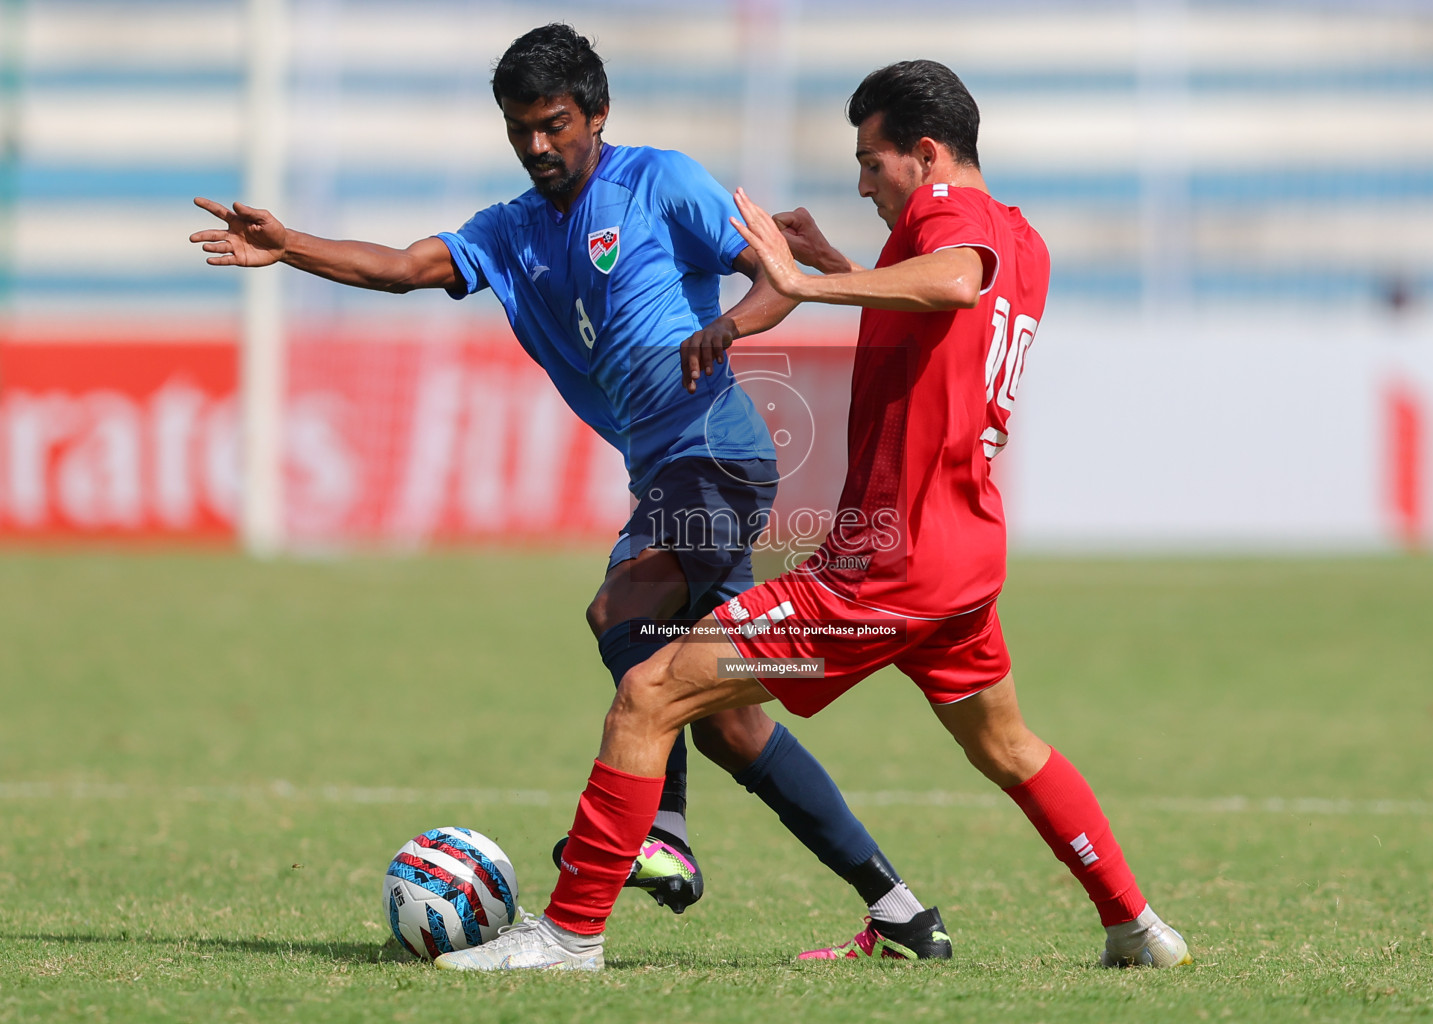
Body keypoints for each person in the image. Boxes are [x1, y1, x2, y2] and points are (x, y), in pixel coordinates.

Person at [190, 24, 948, 957]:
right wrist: (290, 245)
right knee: (730, 724)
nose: (539, 146)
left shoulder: (661, 182)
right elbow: (401, 267)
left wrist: (730, 331)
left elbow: (777, 278)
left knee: (616, 616)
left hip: (714, 457)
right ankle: (899, 909)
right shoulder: (509, 234)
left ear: (596, 115)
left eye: (554, 125)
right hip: (667, 473)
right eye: (521, 131)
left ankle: (658, 836)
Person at [435, 59, 1193, 973]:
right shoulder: (1022, 237)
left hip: (883, 575)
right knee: (1008, 746)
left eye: (872, 164)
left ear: (924, 154)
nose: (864, 183)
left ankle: (570, 935)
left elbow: (950, 282)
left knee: (651, 693)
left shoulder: (947, 221)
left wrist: (799, 280)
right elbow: (943, 310)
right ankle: (1136, 927)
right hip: (960, 566)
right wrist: (839, 265)